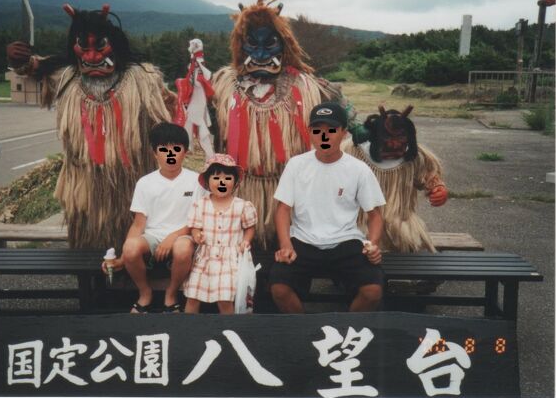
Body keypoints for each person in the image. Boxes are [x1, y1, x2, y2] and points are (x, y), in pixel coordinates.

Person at [7, 3, 176, 251]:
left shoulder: (142, 78)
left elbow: (168, 109)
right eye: (83, 48)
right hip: (85, 183)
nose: (92, 57)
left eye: (100, 47)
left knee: (133, 242)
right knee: (90, 244)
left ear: (115, 45)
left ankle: (136, 279)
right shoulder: (65, 78)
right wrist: (18, 60)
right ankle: (93, 285)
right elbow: (34, 69)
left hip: (130, 181)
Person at [211, 0, 366, 250]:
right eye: (252, 44)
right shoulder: (224, 84)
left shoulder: (305, 84)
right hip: (242, 189)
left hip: (290, 190)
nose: (260, 54)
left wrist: (358, 125)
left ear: (284, 45)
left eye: (269, 44)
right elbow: (198, 112)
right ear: (241, 45)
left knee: (288, 250)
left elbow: (337, 101)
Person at [269, 102, 386, 313]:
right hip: (304, 239)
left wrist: (373, 244)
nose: (324, 136)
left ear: (343, 132)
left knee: (372, 291)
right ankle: (304, 330)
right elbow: (283, 209)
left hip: (345, 240)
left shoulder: (358, 169)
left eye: (331, 130)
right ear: (310, 133)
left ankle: (346, 333)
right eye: (317, 131)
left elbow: (375, 215)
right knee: (279, 288)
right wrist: (285, 245)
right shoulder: (296, 165)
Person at [102, 123, 202, 313]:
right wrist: (121, 259)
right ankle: (145, 293)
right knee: (130, 247)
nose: (170, 155)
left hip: (184, 236)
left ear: (185, 152)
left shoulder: (196, 182)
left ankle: (171, 295)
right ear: (155, 153)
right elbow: (139, 224)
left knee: (182, 247)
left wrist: (172, 237)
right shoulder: (145, 183)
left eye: (176, 149)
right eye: (163, 150)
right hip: (153, 237)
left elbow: (199, 221)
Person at [342, 105, 448, 253]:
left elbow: (429, 176)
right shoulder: (352, 151)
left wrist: (438, 190)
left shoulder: (415, 157)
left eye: (401, 139)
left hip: (399, 222)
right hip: (360, 221)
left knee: (405, 234)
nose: (395, 144)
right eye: (387, 139)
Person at [183, 154, 257, 314]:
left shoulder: (242, 206)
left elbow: (250, 227)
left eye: (227, 178)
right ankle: (187, 330)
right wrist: (197, 235)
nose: (221, 182)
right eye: (216, 178)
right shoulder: (200, 205)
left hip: (229, 259)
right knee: (193, 296)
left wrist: (246, 241)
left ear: (235, 182)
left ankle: (229, 330)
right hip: (205, 258)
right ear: (208, 182)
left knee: (225, 299)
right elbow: (194, 227)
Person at [175, 38, 216, 160]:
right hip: (196, 93)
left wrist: (197, 70)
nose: (190, 46)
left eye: (192, 45)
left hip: (199, 94)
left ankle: (209, 154)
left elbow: (206, 74)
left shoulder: (198, 60)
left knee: (197, 121)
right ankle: (188, 147)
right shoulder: (194, 60)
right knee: (189, 120)